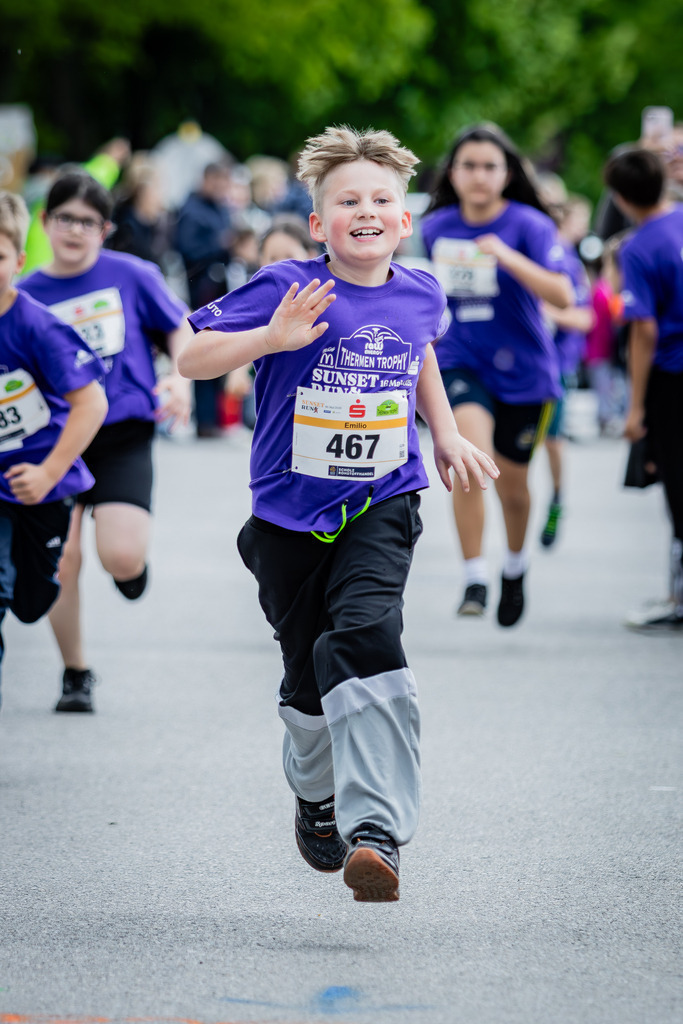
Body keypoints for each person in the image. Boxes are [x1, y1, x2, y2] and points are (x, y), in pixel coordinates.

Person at [178, 126, 498, 903]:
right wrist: (270, 337)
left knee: (364, 633)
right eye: (346, 200)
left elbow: (418, 350)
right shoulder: (286, 282)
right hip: (287, 513)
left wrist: (446, 430)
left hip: (383, 497)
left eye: (380, 199)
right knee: (305, 680)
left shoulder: (420, 291)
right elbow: (190, 359)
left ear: (404, 219)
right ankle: (315, 792)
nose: (365, 210)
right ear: (318, 222)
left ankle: (377, 831)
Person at [19, 171, 192, 711]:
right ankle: (75, 672)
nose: (75, 230)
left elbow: (180, 328)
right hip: (54, 439)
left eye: (88, 222)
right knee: (64, 559)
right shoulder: (23, 292)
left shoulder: (132, 275)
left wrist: (178, 379)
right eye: (64, 218)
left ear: (106, 229)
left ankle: (130, 570)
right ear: (45, 223)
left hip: (122, 431)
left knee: (118, 556)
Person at [421, 123, 571, 625]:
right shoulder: (436, 226)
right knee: (468, 463)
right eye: (468, 166)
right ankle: (475, 577)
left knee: (513, 486)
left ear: (507, 173)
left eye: (489, 166)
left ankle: (514, 567)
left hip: (525, 371)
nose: (479, 176)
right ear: (453, 173)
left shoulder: (530, 225)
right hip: (462, 362)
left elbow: (564, 295)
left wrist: (504, 255)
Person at [0, 191, 107, 709]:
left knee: (32, 596)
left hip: (41, 483)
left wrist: (47, 472)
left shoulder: (39, 327)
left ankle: (33, 581)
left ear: (18, 262)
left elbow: (91, 404)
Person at [603, 148, 683, 630]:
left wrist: (635, 408)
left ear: (619, 196)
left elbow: (644, 330)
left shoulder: (637, 247)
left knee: (678, 487)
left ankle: (678, 599)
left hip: (673, 379)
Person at [536, 191, 594, 548]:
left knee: (553, 442)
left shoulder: (566, 261)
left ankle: (557, 499)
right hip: (509, 367)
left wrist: (547, 313)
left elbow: (585, 318)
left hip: (554, 367)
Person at [174, 161, 234, 437]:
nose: (222, 187)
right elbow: (187, 250)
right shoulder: (191, 211)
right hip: (201, 289)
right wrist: (220, 246)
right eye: (218, 181)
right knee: (204, 348)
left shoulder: (222, 208)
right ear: (206, 179)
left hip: (224, 287)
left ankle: (219, 419)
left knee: (224, 349)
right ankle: (205, 421)